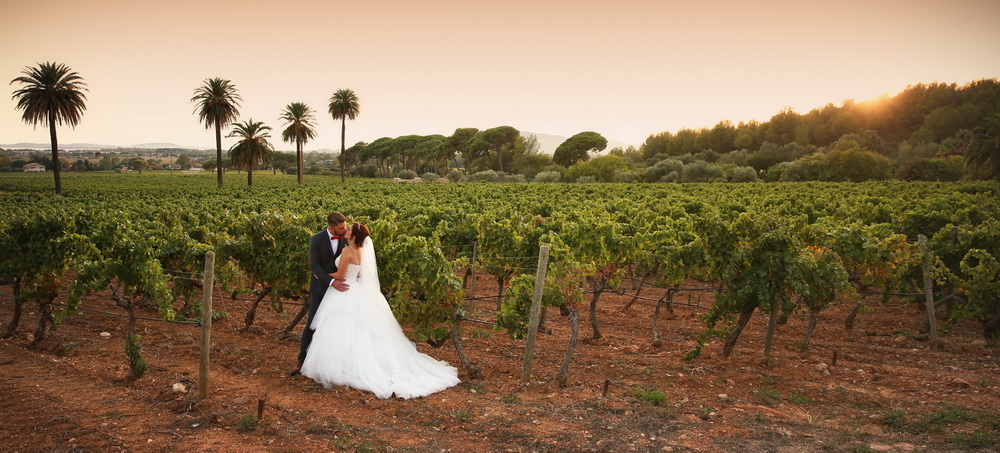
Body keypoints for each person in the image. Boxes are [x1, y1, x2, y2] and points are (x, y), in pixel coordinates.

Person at [300, 223, 460, 399]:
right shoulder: (360, 250)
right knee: (359, 330)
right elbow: (359, 272)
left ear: (354, 236)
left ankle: (344, 366)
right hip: (357, 289)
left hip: (345, 290)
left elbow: (340, 275)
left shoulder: (347, 251)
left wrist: (320, 275)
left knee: (343, 328)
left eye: (349, 230)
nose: (346, 231)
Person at [292, 212, 349, 376]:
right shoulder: (316, 239)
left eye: (345, 226)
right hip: (321, 289)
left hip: (341, 291)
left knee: (339, 326)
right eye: (341, 227)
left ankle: (334, 364)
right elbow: (315, 266)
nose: (345, 229)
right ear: (331, 227)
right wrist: (332, 282)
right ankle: (301, 361)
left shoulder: (347, 238)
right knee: (312, 325)